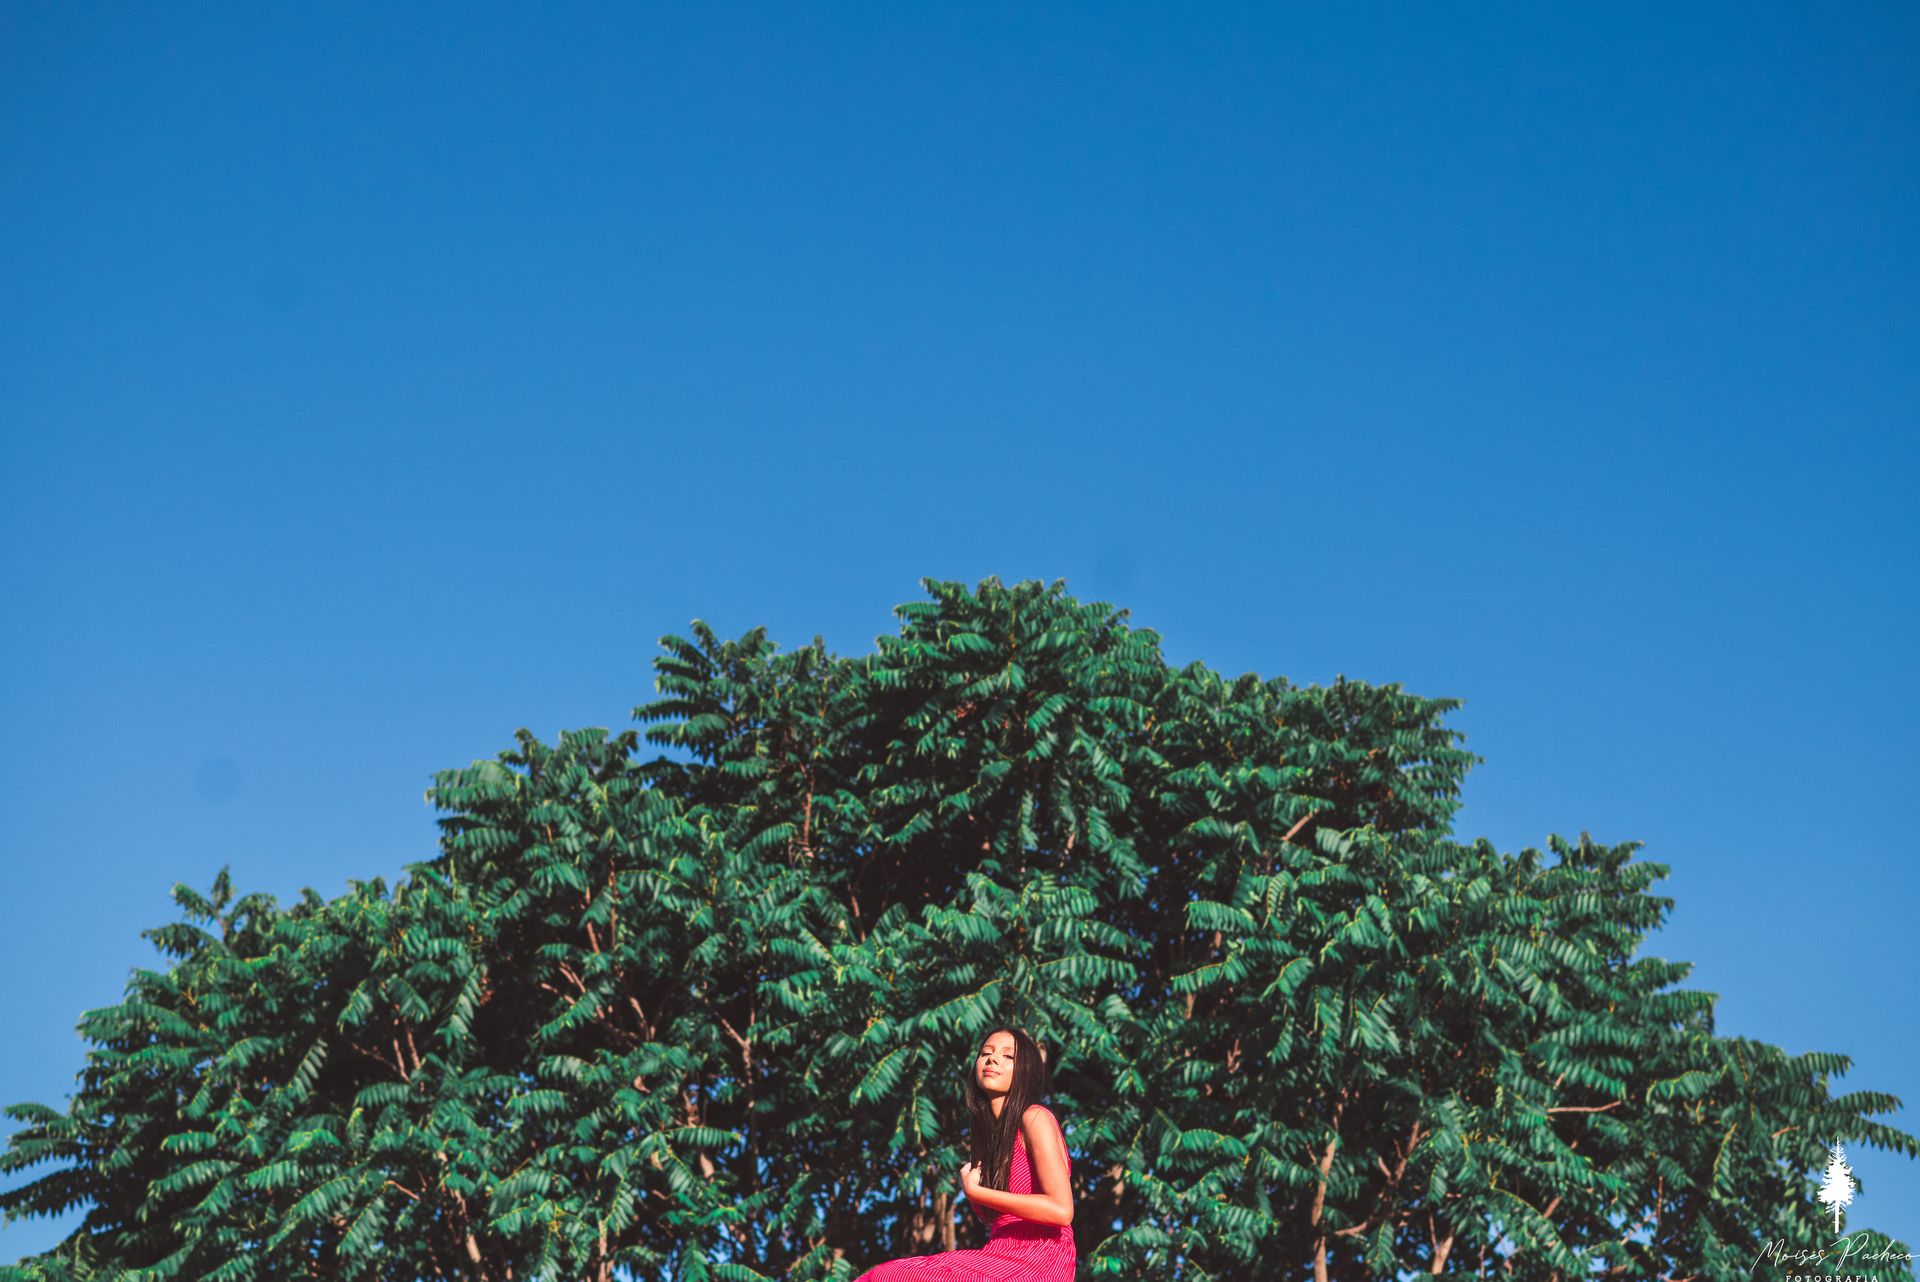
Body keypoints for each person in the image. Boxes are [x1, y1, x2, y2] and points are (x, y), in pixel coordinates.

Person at [854, 1026, 1077, 1280]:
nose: (992, 1059)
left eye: (1008, 1056)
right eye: (986, 1053)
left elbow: (1061, 1210)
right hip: (999, 1252)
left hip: (1039, 1257)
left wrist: (976, 1192)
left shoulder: (1035, 1117)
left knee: (890, 1277)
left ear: (1026, 1072)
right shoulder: (990, 1140)